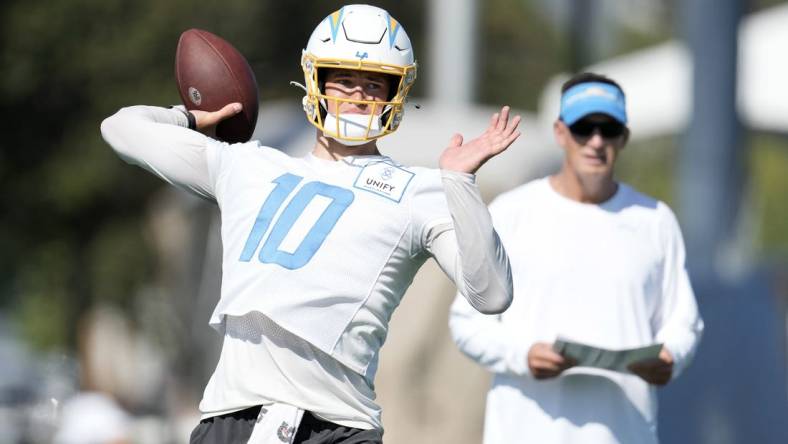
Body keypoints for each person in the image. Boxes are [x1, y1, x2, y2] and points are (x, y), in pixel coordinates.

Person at [101, 5, 519, 444]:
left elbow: (491, 294)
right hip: (234, 414)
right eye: (343, 79)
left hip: (339, 424)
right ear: (314, 79)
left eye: (374, 83)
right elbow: (121, 128)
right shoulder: (248, 165)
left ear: (397, 92)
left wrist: (460, 183)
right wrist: (192, 117)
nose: (357, 95)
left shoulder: (421, 188)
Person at [449, 72, 704, 444]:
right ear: (560, 132)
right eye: (584, 128)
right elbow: (466, 323)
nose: (596, 141)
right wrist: (523, 355)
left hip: (623, 433)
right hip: (525, 432)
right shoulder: (512, 212)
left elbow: (684, 324)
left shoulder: (655, 220)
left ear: (624, 137)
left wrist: (670, 358)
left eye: (609, 129)